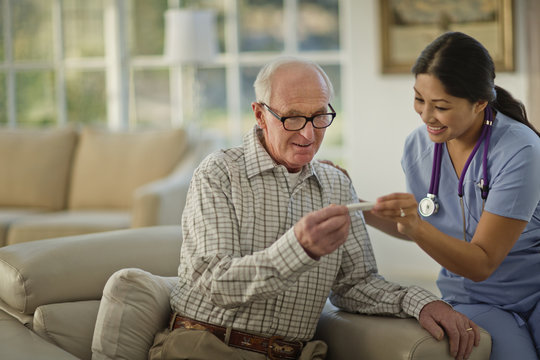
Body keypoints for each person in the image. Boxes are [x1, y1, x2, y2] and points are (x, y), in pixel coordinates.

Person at [149, 56, 480, 360]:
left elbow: (355, 285)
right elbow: (218, 284)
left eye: (320, 116)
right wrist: (299, 248)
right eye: (293, 118)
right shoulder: (219, 173)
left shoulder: (336, 184)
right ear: (260, 114)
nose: (309, 133)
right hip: (205, 346)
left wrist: (421, 302)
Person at [366, 32, 540, 359]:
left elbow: (482, 260)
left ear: (479, 103)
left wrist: (417, 226)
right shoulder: (418, 148)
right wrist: (359, 210)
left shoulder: (520, 150)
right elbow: (425, 227)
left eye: (441, 106)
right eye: (419, 99)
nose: (425, 116)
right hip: (476, 299)